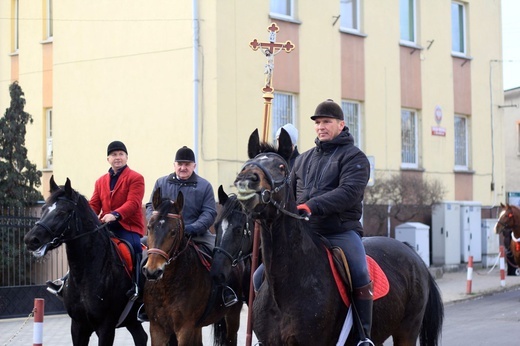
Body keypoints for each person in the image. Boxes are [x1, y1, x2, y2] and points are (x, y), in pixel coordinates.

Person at [290, 99, 373, 345]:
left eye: (326, 122)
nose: (320, 127)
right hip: (305, 233)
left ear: (341, 124)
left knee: (359, 273)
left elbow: (348, 192)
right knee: (260, 276)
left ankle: (363, 336)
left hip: (340, 232)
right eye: (317, 122)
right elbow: (288, 194)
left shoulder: (355, 158)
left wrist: (312, 206)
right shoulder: (302, 160)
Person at [47, 141, 146, 302]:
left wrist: (115, 214)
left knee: (134, 248)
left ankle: (137, 287)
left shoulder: (136, 178)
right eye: (114, 155)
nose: (117, 157)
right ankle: (64, 281)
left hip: (127, 227)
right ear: (108, 159)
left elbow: (133, 203)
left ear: (127, 157)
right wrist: (86, 219)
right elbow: (93, 205)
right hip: (103, 226)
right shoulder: (100, 181)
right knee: (81, 247)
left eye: (121, 154)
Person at [253, 123, 300, 291]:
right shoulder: (272, 163)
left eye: (282, 140)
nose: (278, 142)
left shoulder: (299, 162)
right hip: (272, 223)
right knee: (257, 277)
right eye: (277, 139)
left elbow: (301, 191)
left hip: (296, 221)